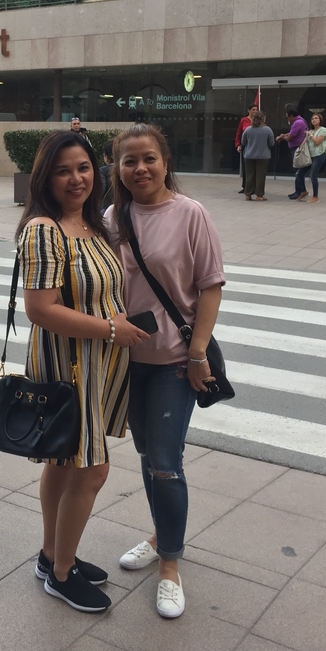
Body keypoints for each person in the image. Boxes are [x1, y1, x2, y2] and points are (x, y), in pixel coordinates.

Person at [17, 130, 149, 613]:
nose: (76, 178)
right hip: (67, 365)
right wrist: (110, 331)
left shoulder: (93, 224)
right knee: (92, 470)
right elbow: (39, 309)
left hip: (96, 363)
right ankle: (62, 574)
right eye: (63, 170)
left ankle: (52, 554)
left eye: (84, 168)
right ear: (44, 177)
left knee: (61, 462)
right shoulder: (44, 229)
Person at [105, 123, 225, 620]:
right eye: (129, 161)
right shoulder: (115, 216)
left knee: (166, 463)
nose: (140, 168)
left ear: (165, 160)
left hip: (175, 362)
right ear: (118, 168)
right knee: (147, 454)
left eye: (149, 158)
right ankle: (160, 535)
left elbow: (211, 285)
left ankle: (170, 566)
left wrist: (197, 353)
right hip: (126, 364)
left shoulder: (190, 214)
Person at [240, 111, 275, 201]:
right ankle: (259, 195)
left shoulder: (248, 129)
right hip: (263, 156)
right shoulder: (267, 130)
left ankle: (248, 194)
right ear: (263, 119)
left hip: (249, 155)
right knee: (260, 176)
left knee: (249, 175)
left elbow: (243, 142)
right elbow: (271, 143)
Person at [275, 104, 308, 200]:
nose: (288, 120)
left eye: (288, 118)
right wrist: (284, 135)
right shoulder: (299, 122)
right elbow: (291, 133)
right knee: (296, 171)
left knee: (298, 171)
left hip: (298, 150)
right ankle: (298, 190)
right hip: (296, 149)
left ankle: (300, 191)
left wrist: (282, 137)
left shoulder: (298, 123)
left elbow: (290, 137)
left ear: (292, 116)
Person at [296, 113, 326, 203]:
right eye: (312, 119)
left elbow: (317, 142)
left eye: (316, 118)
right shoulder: (311, 131)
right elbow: (304, 143)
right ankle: (303, 191)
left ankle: (315, 196)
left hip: (319, 155)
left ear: (320, 120)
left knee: (313, 175)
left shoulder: (323, 130)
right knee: (299, 174)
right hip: (310, 156)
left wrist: (310, 135)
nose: (314, 120)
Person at [234, 103, 258, 193]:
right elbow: (238, 134)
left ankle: (255, 187)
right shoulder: (244, 120)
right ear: (249, 110)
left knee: (256, 167)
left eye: (256, 110)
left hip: (256, 145)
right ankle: (246, 186)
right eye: (253, 110)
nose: (255, 112)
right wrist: (238, 144)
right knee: (246, 167)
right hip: (246, 146)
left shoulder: (258, 121)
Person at [99, 140, 114, 212]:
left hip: (107, 209)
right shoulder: (127, 169)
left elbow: (100, 191)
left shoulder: (103, 171)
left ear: (106, 157)